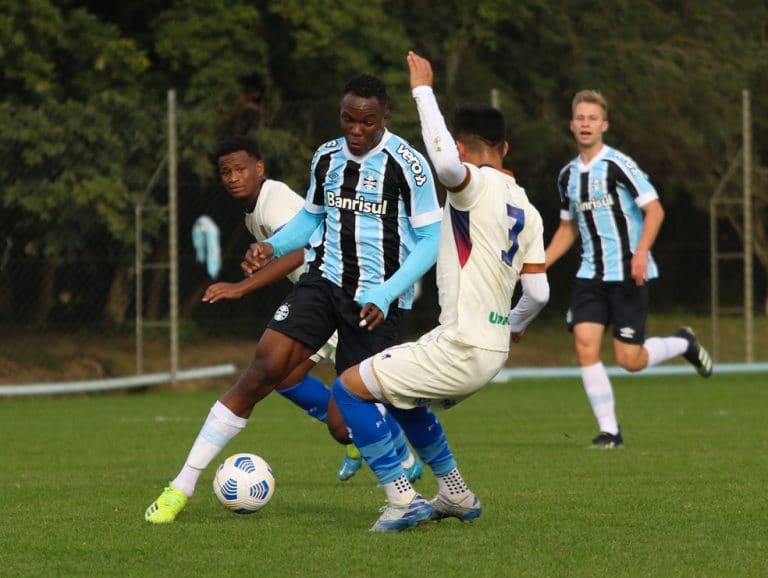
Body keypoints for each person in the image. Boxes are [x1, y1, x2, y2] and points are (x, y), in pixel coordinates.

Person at [145, 74, 442, 524]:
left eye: (367, 121)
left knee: (344, 426)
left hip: (375, 301)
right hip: (323, 283)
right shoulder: (326, 157)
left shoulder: (409, 164)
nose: (356, 130)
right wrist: (274, 246)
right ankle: (180, 486)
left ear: (384, 118)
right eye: (348, 119)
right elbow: (311, 219)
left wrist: (386, 291)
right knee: (263, 369)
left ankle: (406, 478)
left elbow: (430, 239)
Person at [328, 51, 549, 532]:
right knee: (406, 401)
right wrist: (512, 327)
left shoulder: (473, 188)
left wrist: (422, 91)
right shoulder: (527, 209)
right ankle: (455, 494)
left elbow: (446, 164)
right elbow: (539, 292)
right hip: (489, 351)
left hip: (462, 344)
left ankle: (403, 499)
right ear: (506, 147)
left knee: (348, 390)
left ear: (463, 148)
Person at [199, 135, 421, 484]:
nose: (232, 178)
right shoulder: (253, 211)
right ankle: (364, 439)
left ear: (260, 168)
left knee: (344, 405)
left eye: (240, 169)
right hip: (321, 299)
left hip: (340, 295)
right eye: (225, 172)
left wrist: (242, 287)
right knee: (285, 378)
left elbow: (300, 250)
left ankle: (399, 454)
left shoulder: (274, 200)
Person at [544, 89, 713, 449]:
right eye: (580, 118)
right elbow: (567, 228)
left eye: (593, 118)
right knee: (585, 346)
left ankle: (683, 342)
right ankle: (610, 432)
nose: (586, 124)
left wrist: (640, 253)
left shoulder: (619, 164)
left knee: (629, 360)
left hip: (628, 274)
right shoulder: (567, 176)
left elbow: (655, 210)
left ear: (604, 125)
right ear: (572, 125)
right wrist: (538, 264)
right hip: (590, 276)